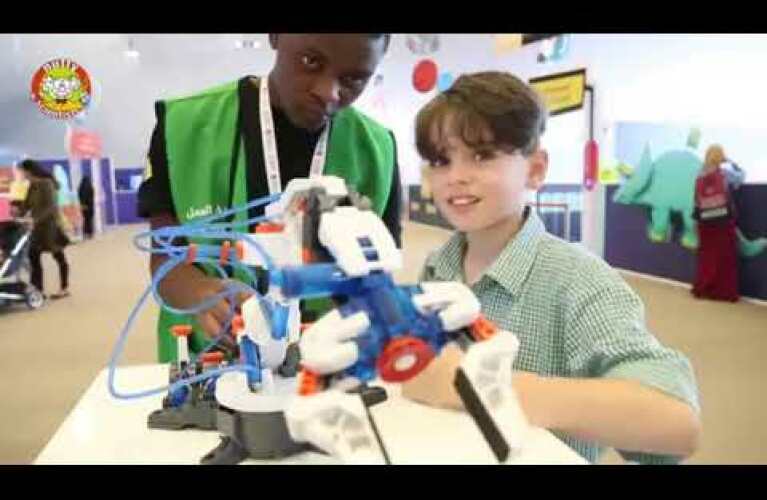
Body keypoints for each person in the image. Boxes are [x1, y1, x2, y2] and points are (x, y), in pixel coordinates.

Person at [396, 72, 701, 464]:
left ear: (536, 170)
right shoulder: (438, 267)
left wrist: (473, 386)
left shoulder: (578, 280)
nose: (455, 177)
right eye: (441, 160)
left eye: (482, 155)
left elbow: (677, 420)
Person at [138, 34, 401, 363]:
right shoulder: (183, 128)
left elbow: (379, 277)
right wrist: (199, 292)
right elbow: (165, 258)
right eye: (311, 62)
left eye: (353, 79)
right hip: (206, 361)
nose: (328, 92)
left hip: (324, 364)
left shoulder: (378, 150)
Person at [691, 145, 744, 302]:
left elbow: (695, 201)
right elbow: (741, 177)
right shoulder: (725, 173)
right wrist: (732, 163)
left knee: (706, 257)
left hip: (704, 221)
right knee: (725, 258)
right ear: (721, 157)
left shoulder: (699, 175)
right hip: (723, 220)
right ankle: (723, 293)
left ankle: (703, 288)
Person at [17, 159, 70, 299]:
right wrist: (18, 213)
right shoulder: (31, 186)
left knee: (58, 256)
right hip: (37, 229)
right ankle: (38, 289)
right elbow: (26, 205)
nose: (21, 174)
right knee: (33, 256)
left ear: (29, 171)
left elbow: (51, 207)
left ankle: (64, 287)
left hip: (50, 227)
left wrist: (35, 219)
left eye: (22, 171)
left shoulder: (47, 184)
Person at [78, 175, 95, 240]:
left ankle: (85, 233)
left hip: (83, 206)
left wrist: (82, 204)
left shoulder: (80, 187)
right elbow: (91, 196)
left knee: (85, 220)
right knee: (89, 220)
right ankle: (90, 233)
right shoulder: (90, 187)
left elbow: (80, 196)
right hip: (89, 206)